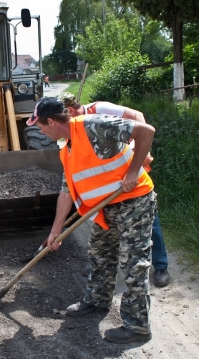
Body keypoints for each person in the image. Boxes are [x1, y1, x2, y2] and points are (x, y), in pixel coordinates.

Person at [26, 96, 157, 344]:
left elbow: (145, 131)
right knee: (100, 255)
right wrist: (55, 232)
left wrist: (132, 171)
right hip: (105, 209)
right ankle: (97, 301)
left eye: (40, 126)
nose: (40, 130)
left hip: (134, 203)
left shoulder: (92, 125)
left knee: (133, 264)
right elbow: (67, 192)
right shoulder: (66, 149)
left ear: (52, 121)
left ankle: (137, 326)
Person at [57, 92, 170, 288]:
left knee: (147, 217)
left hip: (129, 169)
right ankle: (106, 266)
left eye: (66, 116)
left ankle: (161, 266)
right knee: (109, 226)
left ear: (71, 110)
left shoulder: (99, 109)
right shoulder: (72, 132)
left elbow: (138, 117)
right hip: (109, 180)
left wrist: (139, 156)